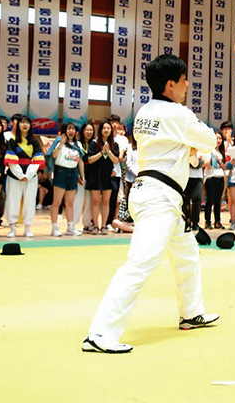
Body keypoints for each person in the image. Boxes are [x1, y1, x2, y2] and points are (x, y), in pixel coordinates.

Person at [83, 54, 218, 354]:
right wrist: (193, 144)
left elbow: (176, 147)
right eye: (183, 81)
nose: (187, 86)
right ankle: (100, 333)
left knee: (187, 253)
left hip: (154, 191)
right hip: (159, 198)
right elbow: (209, 140)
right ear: (171, 84)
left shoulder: (145, 111)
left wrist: (188, 146)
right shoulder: (178, 114)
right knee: (140, 263)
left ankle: (191, 312)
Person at [3, 116, 45, 238]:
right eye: (22, 123)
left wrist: (28, 175)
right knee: (12, 200)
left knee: (30, 201)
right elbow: (10, 159)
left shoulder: (34, 142)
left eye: (27, 123)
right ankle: (12, 227)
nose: (25, 125)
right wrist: (20, 175)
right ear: (17, 125)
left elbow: (37, 160)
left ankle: (27, 227)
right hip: (14, 175)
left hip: (31, 176)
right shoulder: (12, 141)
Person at [49, 122, 86, 237]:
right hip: (61, 172)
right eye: (69, 129)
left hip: (73, 173)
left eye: (73, 129)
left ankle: (70, 227)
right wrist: (61, 144)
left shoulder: (78, 144)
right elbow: (53, 156)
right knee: (57, 202)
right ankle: (54, 227)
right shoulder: (58, 142)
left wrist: (82, 175)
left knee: (70, 203)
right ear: (65, 130)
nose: (71, 131)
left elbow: (80, 161)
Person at [87, 121, 120, 235]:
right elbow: (90, 160)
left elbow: (116, 160)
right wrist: (102, 152)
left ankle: (104, 225)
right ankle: (95, 225)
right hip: (95, 175)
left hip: (108, 176)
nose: (106, 130)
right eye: (104, 128)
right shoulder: (94, 143)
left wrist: (109, 151)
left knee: (106, 201)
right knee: (95, 201)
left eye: (108, 128)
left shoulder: (114, 145)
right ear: (100, 130)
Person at [202, 131, 226, 229]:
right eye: (216, 138)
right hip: (210, 178)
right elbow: (207, 166)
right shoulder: (208, 151)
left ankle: (218, 222)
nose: (218, 141)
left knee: (218, 201)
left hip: (220, 178)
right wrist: (212, 159)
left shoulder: (222, 152)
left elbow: (224, 167)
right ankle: (207, 222)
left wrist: (221, 162)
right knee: (210, 201)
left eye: (220, 138)